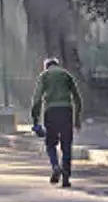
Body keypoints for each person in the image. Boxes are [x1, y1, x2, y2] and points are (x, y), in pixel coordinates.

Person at [30, 57, 83, 187]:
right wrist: (77, 118)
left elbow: (37, 98)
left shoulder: (44, 76)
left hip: (51, 112)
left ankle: (55, 166)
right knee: (66, 145)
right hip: (66, 111)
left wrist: (35, 119)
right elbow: (77, 98)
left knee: (50, 143)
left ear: (46, 66)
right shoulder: (66, 75)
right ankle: (66, 178)